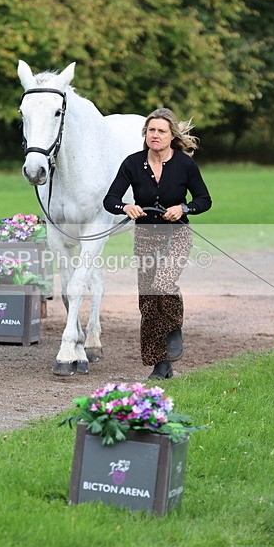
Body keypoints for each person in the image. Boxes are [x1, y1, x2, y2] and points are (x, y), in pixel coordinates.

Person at [103, 108, 212, 379]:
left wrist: (183, 209)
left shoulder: (185, 165)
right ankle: (160, 364)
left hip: (177, 235)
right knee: (149, 302)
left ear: (171, 135)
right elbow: (110, 199)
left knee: (163, 283)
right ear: (145, 134)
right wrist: (125, 207)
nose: (155, 135)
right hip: (145, 237)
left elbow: (204, 200)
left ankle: (175, 328)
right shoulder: (132, 163)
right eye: (151, 130)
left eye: (161, 131)